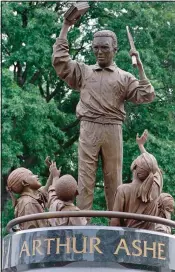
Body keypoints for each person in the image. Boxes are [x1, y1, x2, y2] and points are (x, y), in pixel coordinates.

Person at [52, 18, 155, 215]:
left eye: (104, 48)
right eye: (95, 48)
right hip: (88, 127)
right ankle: (81, 225)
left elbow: (146, 95)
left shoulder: (124, 77)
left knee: (113, 180)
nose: (99, 52)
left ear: (115, 49)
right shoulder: (84, 71)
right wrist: (65, 26)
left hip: (112, 129)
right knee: (85, 179)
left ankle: (116, 224)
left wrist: (140, 68)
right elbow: (60, 62)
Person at [110, 130, 163, 230]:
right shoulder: (155, 189)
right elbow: (154, 168)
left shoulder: (123, 190)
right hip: (149, 242)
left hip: (126, 241)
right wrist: (141, 147)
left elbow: (115, 222)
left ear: (134, 167)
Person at [7, 162, 52, 230]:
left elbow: (45, 189)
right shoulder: (29, 203)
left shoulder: (31, 198)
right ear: (24, 183)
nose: (36, 175)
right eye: (31, 174)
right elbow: (33, 233)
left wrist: (52, 173)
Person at [48, 162, 87, 226]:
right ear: (77, 192)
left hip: (53, 236)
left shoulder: (54, 204)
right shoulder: (76, 214)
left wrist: (55, 177)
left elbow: (52, 194)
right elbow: (82, 232)